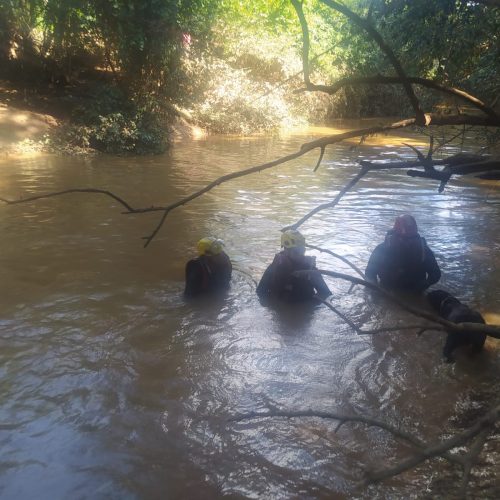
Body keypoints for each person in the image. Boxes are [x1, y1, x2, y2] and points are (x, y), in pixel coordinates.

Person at [365, 214, 441, 292]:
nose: (407, 242)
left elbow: (436, 274)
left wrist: (425, 284)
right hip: (387, 291)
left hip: (415, 292)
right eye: (403, 238)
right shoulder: (382, 249)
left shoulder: (423, 250)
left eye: (411, 238)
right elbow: (369, 273)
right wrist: (374, 291)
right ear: (394, 234)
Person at [256, 230, 331, 302]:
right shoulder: (274, 267)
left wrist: (311, 307)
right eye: (297, 251)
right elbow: (260, 291)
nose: (301, 254)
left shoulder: (310, 268)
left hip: (305, 309)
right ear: (286, 250)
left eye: (302, 250)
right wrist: (272, 307)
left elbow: (325, 293)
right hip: (280, 310)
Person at [427, 289, 487, 363]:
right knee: (477, 354)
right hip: (478, 323)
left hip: (457, 324)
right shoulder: (462, 306)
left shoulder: (445, 311)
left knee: (446, 354)